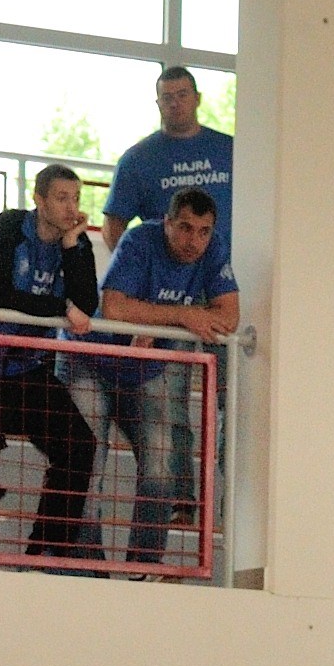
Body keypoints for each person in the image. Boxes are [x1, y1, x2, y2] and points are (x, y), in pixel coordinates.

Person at [0, 161, 102, 560]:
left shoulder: (76, 242)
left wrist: (71, 246)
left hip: (27, 368)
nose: (71, 207)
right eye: (61, 197)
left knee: (79, 446)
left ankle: (44, 554)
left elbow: (87, 304)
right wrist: (61, 307)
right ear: (39, 200)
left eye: (76, 198)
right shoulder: (7, 227)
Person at [94, 188, 237, 571]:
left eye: (203, 231)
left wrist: (156, 317)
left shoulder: (214, 248)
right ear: (167, 222)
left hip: (146, 368)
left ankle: (145, 566)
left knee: (161, 463)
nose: (194, 241)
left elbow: (229, 316)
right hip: (92, 360)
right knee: (88, 459)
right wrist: (182, 315)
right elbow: (114, 307)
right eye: (185, 228)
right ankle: (83, 563)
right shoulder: (139, 240)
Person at [103, 64, 234, 250]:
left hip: (228, 263)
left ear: (197, 99)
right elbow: (113, 224)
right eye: (167, 97)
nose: (175, 103)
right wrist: (132, 263)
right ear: (158, 103)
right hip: (164, 266)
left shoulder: (230, 150)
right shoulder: (137, 160)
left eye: (182, 95)